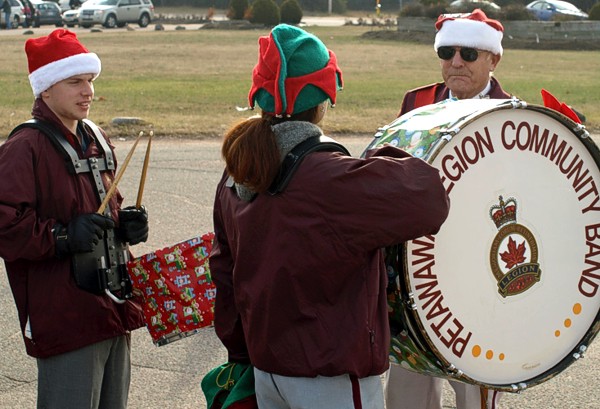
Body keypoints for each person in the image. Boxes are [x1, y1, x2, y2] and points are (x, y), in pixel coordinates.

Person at [209, 24, 450, 409]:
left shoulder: (236, 169)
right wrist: (385, 151)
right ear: (323, 98)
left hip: (266, 368)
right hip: (329, 376)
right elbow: (428, 197)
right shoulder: (330, 177)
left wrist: (241, 352)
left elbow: (224, 271)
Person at [0, 29, 148, 409]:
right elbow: (5, 226)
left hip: (113, 307)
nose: (88, 92)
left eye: (90, 81)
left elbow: (105, 204)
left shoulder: (96, 137)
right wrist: (63, 237)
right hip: (66, 316)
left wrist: (125, 225)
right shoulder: (24, 147)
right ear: (45, 89)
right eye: (75, 81)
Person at [385, 9, 507, 409]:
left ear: (493, 59)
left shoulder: (515, 116)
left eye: (469, 53)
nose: (456, 62)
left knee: (474, 392)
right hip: (416, 268)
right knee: (406, 391)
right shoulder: (416, 101)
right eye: (447, 51)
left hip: (480, 276)